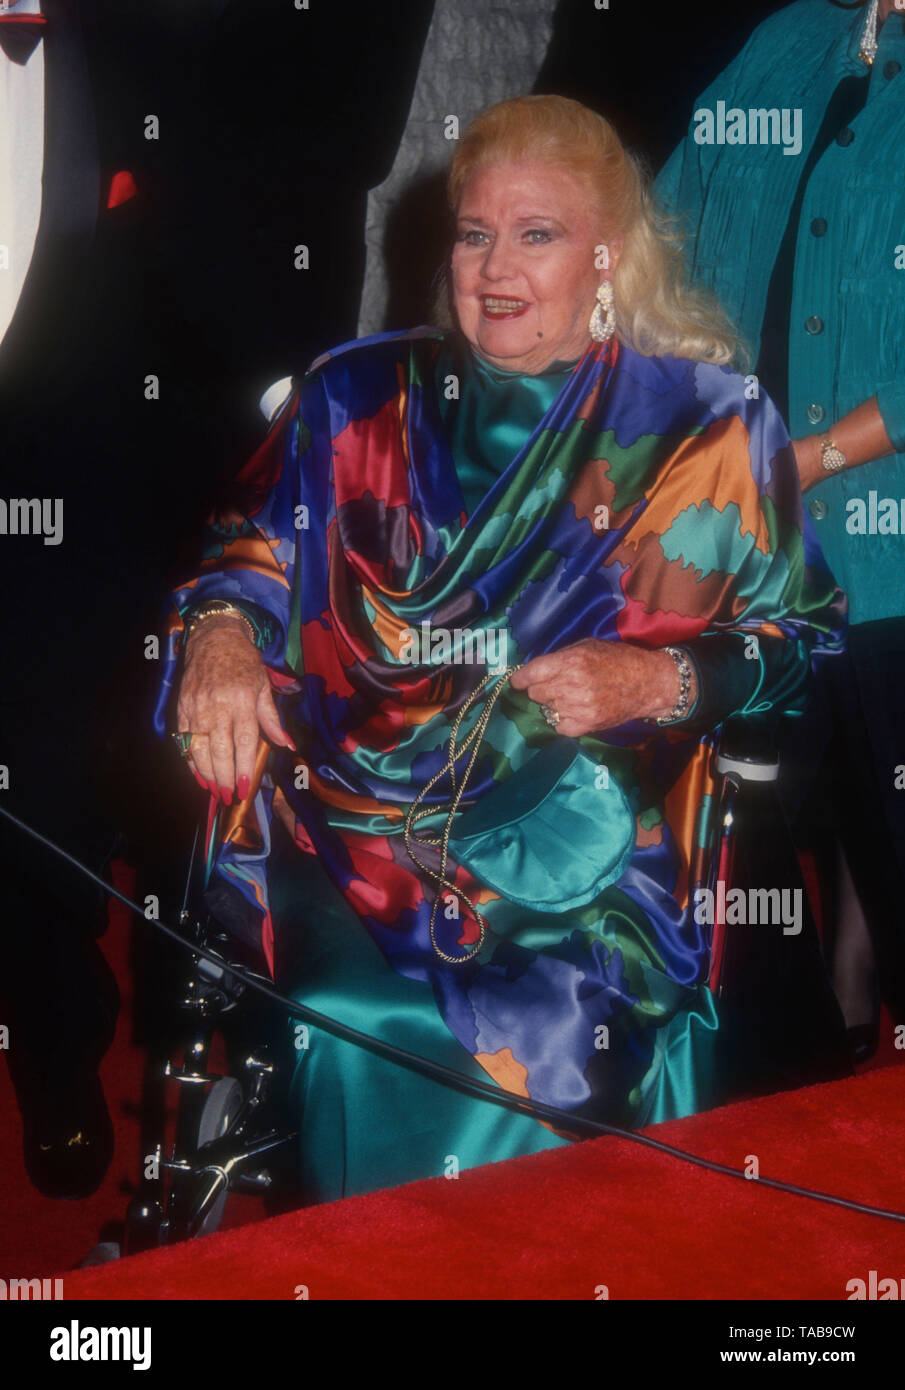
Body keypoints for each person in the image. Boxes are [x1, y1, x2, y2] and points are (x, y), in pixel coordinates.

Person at [158, 95, 846, 1203]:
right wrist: (226, 632)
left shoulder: (711, 429)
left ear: (607, 256)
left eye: (538, 235)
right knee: (353, 1014)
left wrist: (663, 675)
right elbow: (248, 547)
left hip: (594, 840)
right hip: (358, 814)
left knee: (568, 1011)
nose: (494, 266)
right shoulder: (355, 393)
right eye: (475, 233)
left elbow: (798, 643)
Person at [655, 0, 905, 1053]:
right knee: (725, 887)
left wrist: (790, 468)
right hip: (744, 562)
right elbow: (656, 233)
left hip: (886, 562)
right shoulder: (785, 39)